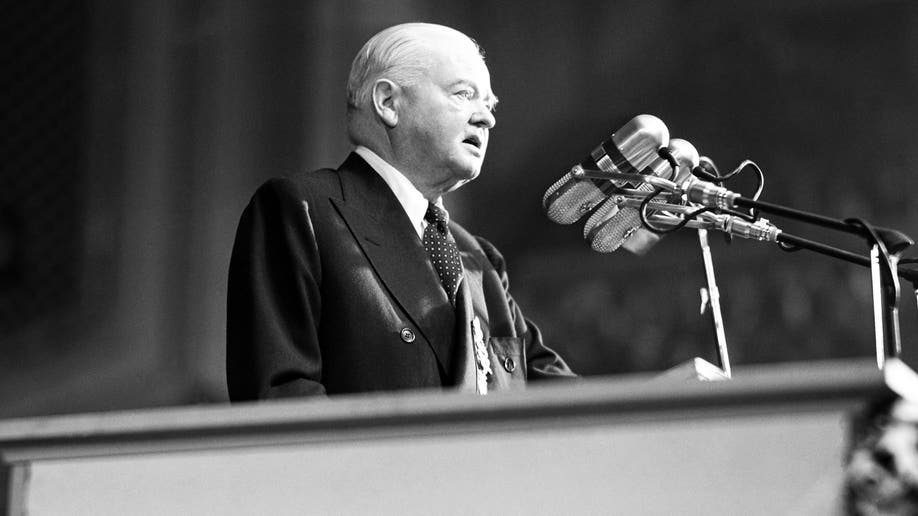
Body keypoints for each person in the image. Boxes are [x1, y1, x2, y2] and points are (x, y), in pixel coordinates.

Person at [226, 22, 574, 401]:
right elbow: (283, 399)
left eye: (489, 105)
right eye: (464, 94)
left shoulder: (481, 260)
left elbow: (572, 406)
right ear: (388, 103)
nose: (487, 118)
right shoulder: (303, 211)